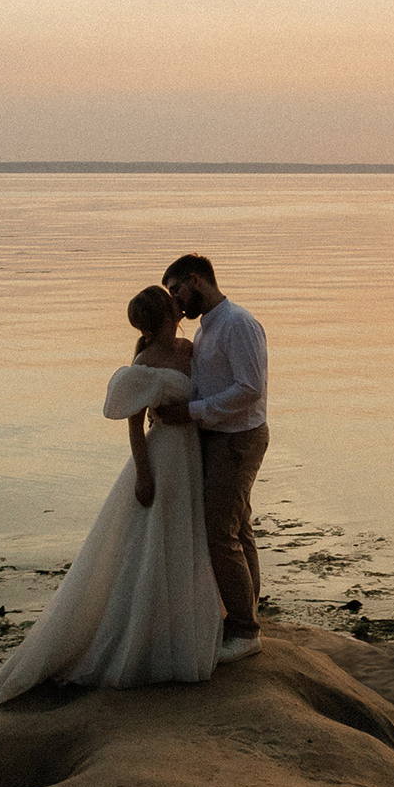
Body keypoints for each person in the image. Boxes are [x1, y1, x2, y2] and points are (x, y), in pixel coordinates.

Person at [0, 286, 222, 709]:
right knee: (149, 548)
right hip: (163, 456)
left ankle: (185, 631)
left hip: (191, 455)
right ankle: (141, 641)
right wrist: (143, 475)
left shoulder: (189, 349)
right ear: (166, 315)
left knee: (186, 540)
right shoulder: (143, 363)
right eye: (172, 306)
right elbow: (134, 425)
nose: (180, 308)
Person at [151, 254, 269, 664]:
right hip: (218, 438)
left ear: (197, 280)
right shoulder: (207, 329)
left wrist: (193, 412)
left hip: (238, 439)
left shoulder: (238, 323)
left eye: (177, 290)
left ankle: (244, 630)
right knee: (239, 529)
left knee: (221, 533)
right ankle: (247, 616)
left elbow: (250, 388)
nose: (176, 303)